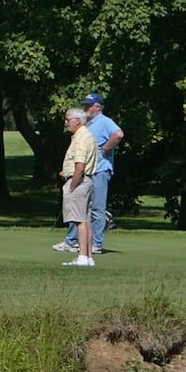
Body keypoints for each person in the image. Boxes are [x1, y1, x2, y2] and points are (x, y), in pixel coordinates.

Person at [55, 93, 123, 255]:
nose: (85, 108)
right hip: (86, 171)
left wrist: (105, 149)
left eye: (88, 105)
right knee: (80, 206)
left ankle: (96, 244)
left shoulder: (104, 121)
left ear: (97, 107)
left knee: (97, 208)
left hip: (99, 170)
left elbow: (118, 134)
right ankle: (72, 241)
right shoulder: (87, 124)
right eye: (85, 105)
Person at [59, 108, 97, 267]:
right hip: (86, 181)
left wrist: (72, 185)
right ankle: (87, 257)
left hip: (80, 181)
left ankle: (82, 257)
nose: (66, 123)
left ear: (78, 121)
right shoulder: (85, 135)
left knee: (79, 220)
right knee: (85, 219)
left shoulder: (81, 137)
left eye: (69, 120)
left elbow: (80, 166)